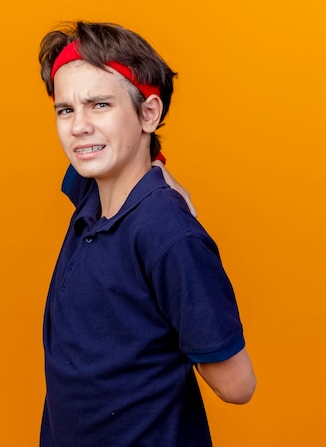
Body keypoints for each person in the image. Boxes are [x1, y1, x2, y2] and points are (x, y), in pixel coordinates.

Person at [38, 21, 256, 447]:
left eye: (99, 105)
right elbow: (130, 159)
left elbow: (237, 385)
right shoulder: (92, 192)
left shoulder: (168, 234)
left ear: (148, 113)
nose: (79, 126)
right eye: (66, 110)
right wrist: (160, 169)